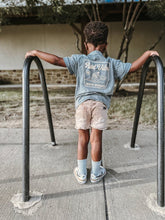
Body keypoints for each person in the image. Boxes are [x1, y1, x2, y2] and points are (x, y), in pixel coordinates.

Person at [25, 21, 159, 184]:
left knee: (83, 138)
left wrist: (35, 52)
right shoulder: (111, 63)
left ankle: (81, 173)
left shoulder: (79, 60)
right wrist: (147, 53)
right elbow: (133, 67)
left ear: (85, 44)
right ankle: (96, 173)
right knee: (96, 139)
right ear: (105, 45)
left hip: (82, 104)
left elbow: (56, 60)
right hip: (100, 106)